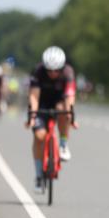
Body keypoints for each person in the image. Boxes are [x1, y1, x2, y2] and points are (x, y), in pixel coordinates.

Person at [25, 46, 78, 189]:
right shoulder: (38, 72)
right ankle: (38, 175)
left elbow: (70, 97)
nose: (53, 73)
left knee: (64, 111)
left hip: (59, 101)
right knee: (39, 137)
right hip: (42, 102)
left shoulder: (68, 72)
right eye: (49, 70)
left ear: (62, 67)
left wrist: (70, 115)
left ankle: (63, 144)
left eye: (56, 70)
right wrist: (32, 116)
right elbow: (34, 96)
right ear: (44, 67)